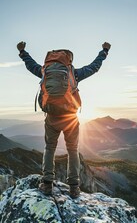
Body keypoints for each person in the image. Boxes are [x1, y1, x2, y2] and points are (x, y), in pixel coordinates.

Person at [17, 41, 111, 198]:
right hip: (71, 119)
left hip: (52, 117)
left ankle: (47, 184)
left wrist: (22, 52)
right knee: (72, 150)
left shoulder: (45, 71)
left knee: (50, 148)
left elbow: (30, 65)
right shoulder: (73, 74)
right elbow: (95, 67)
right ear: (68, 60)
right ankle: (74, 187)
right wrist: (104, 51)